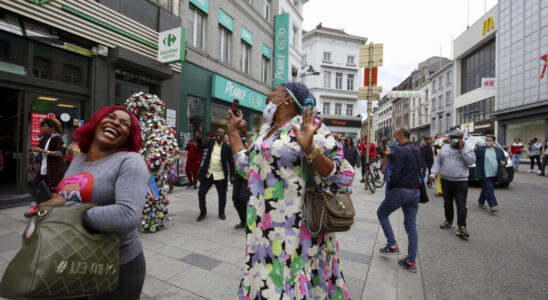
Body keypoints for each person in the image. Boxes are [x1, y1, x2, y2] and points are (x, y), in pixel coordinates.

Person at [228, 82, 354, 299]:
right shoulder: (266, 130)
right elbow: (245, 166)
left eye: (274, 90)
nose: (268, 94)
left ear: (286, 97)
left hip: (298, 230)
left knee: (291, 283)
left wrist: (311, 149)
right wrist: (233, 133)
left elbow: (343, 177)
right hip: (263, 229)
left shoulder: (309, 125)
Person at [24, 106, 148, 299]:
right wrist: (43, 212)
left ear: (129, 136)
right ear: (96, 123)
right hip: (74, 258)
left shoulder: (130, 161)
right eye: (111, 117)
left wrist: (64, 211)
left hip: (116, 266)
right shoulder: (78, 160)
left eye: (125, 124)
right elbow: (67, 197)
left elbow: (128, 215)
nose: (116, 122)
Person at [377, 128, 422, 273]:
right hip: (415, 190)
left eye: (395, 135)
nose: (393, 138)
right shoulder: (416, 149)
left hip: (402, 190)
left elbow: (396, 174)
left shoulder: (402, 151)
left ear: (400, 136)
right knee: (411, 225)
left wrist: (391, 186)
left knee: (382, 213)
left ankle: (392, 245)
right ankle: (411, 260)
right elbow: (419, 166)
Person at [429, 130, 476, 239]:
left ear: (461, 138)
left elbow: (471, 162)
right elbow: (437, 162)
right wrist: (432, 174)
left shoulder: (467, 148)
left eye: (456, 138)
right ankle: (449, 221)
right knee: (447, 203)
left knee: (461, 205)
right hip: (446, 180)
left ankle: (462, 227)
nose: (454, 140)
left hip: (460, 181)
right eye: (452, 138)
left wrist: (463, 149)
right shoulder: (445, 148)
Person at [196, 127, 235, 221]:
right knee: (201, 193)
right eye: (217, 132)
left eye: (221, 133)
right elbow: (201, 145)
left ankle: (221, 212)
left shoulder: (227, 147)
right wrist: (199, 137)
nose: (219, 134)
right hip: (208, 173)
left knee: (222, 195)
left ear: (224, 135)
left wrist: (232, 176)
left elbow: (231, 162)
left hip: (220, 175)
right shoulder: (210, 142)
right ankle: (203, 212)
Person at [29, 118, 65, 192]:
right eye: (41, 126)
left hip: (53, 170)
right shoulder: (44, 138)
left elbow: (59, 153)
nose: (41, 128)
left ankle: (48, 202)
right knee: (36, 187)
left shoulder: (57, 138)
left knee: (50, 191)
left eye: (44, 126)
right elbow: (41, 150)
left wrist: (41, 151)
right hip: (44, 168)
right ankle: (44, 201)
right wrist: (34, 153)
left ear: (52, 128)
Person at [474, 135, 506, 213]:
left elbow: (504, 158)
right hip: (484, 173)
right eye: (486, 140)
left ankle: (481, 202)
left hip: (495, 173)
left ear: (494, 141)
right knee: (489, 188)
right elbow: (475, 156)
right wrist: (476, 148)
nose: (487, 142)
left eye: (489, 140)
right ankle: (492, 205)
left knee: (486, 188)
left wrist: (504, 162)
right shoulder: (481, 148)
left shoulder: (498, 149)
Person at [232, 119, 250, 229]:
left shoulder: (252, 138)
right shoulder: (234, 139)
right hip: (238, 173)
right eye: (237, 128)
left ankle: (249, 221)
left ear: (245, 128)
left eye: (241, 128)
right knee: (235, 199)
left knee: (243, 198)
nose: (239, 131)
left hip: (248, 174)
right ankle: (243, 220)